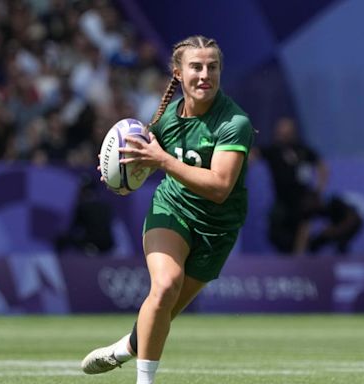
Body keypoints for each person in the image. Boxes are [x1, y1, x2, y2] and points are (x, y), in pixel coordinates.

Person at [80, 35, 254, 384]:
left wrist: (161, 160)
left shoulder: (234, 123)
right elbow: (137, 159)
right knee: (165, 287)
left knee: (164, 311)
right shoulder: (165, 120)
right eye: (196, 67)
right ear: (178, 72)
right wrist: (115, 167)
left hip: (217, 229)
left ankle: (127, 347)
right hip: (171, 210)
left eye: (213, 67)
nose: (205, 75)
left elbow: (220, 188)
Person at [259, 116, 328, 255]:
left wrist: (318, 190)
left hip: (302, 199)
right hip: (282, 199)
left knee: (304, 221)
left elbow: (322, 167)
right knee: (276, 230)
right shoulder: (273, 150)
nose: (284, 135)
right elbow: (252, 155)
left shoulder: (303, 150)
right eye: (281, 131)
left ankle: (299, 257)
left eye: (287, 131)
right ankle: (288, 258)